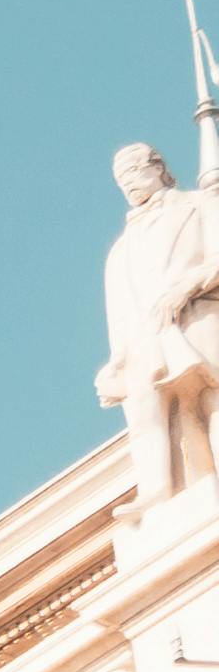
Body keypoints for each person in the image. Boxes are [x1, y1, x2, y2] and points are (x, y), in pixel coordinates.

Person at [103, 141, 219, 509]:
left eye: (134, 172)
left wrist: (185, 288)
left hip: (195, 316)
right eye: (121, 179)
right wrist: (116, 361)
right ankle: (157, 492)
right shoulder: (121, 249)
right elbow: (120, 310)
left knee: (210, 399)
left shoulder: (199, 204)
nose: (129, 184)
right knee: (148, 413)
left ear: (157, 167)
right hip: (145, 338)